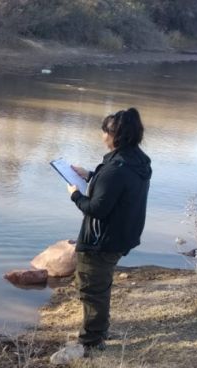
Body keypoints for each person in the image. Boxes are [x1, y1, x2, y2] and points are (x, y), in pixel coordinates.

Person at [67, 108, 152, 354]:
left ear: (116, 135)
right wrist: (92, 176)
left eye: (105, 131)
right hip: (121, 236)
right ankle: (99, 330)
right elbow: (118, 189)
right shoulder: (137, 160)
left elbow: (96, 208)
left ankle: (91, 343)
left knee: (92, 289)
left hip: (100, 241)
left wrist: (75, 195)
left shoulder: (116, 168)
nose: (102, 135)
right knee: (100, 285)